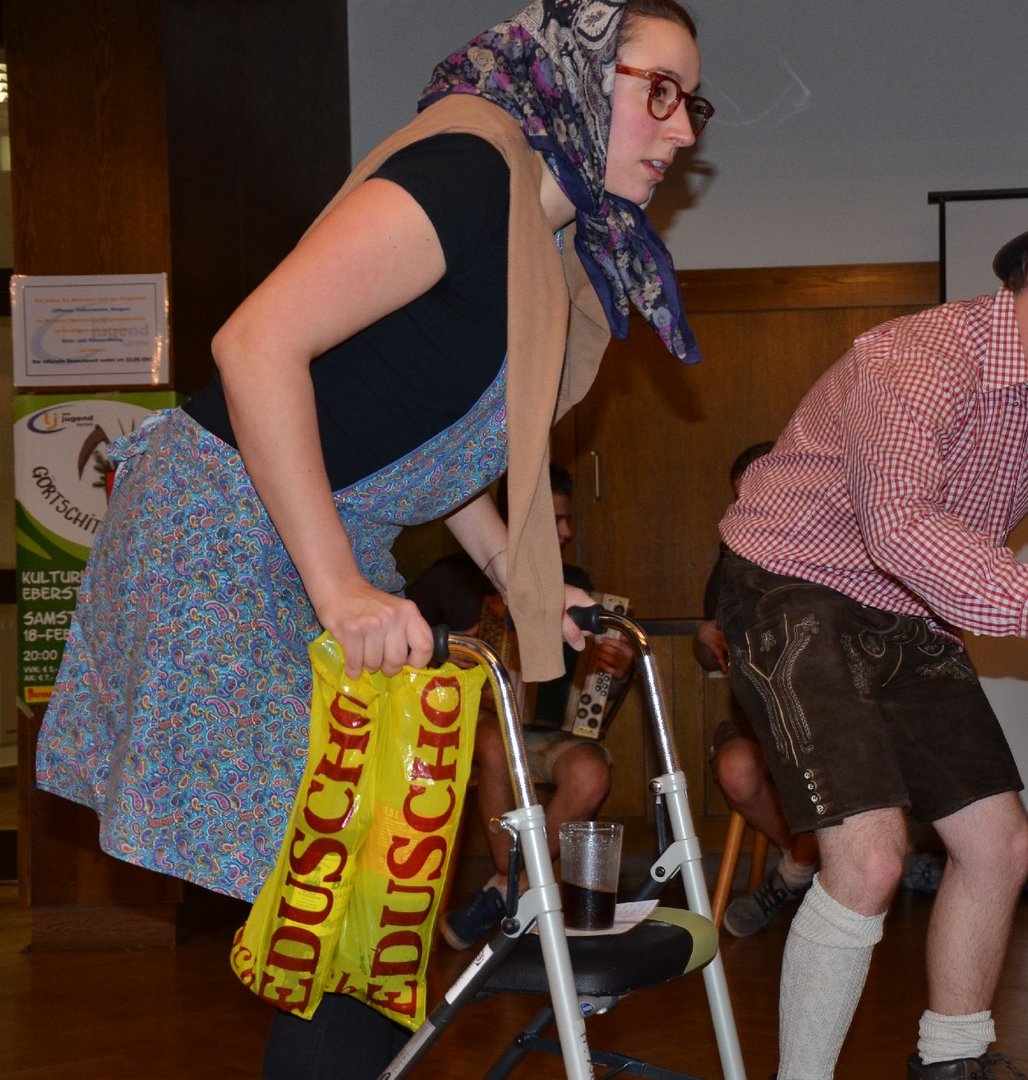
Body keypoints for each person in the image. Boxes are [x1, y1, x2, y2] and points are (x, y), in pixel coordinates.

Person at [34, 1, 709, 1074]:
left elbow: (420, 435)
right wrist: (340, 587)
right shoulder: (467, 170)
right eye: (657, 91)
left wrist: (521, 574)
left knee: (379, 904)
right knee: (347, 895)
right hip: (225, 527)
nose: (680, 130)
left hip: (323, 528)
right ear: (575, 76)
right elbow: (254, 345)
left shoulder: (548, 238)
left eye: (692, 105)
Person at [715, 151, 1028, 1080]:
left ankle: (953, 1060)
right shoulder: (918, 359)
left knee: (1001, 844)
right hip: (791, 585)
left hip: (908, 608)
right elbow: (901, 529)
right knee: (869, 861)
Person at [413, 465, 634, 950]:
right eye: (554, 521)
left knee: (590, 774)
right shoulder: (448, 580)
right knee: (495, 740)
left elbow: (594, 679)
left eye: (566, 519)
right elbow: (401, 660)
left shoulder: (573, 585)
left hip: (547, 731)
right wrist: (445, 654)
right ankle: (517, 878)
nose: (567, 532)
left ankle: (506, 885)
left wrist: (614, 671)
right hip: (476, 730)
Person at [695, 442, 823, 937]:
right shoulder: (732, 556)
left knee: (832, 769)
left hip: (824, 717)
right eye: (739, 497)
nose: (746, 508)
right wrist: (705, 639)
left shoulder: (828, 546)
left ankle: (790, 876)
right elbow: (708, 654)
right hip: (755, 715)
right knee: (737, 770)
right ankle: (806, 861)